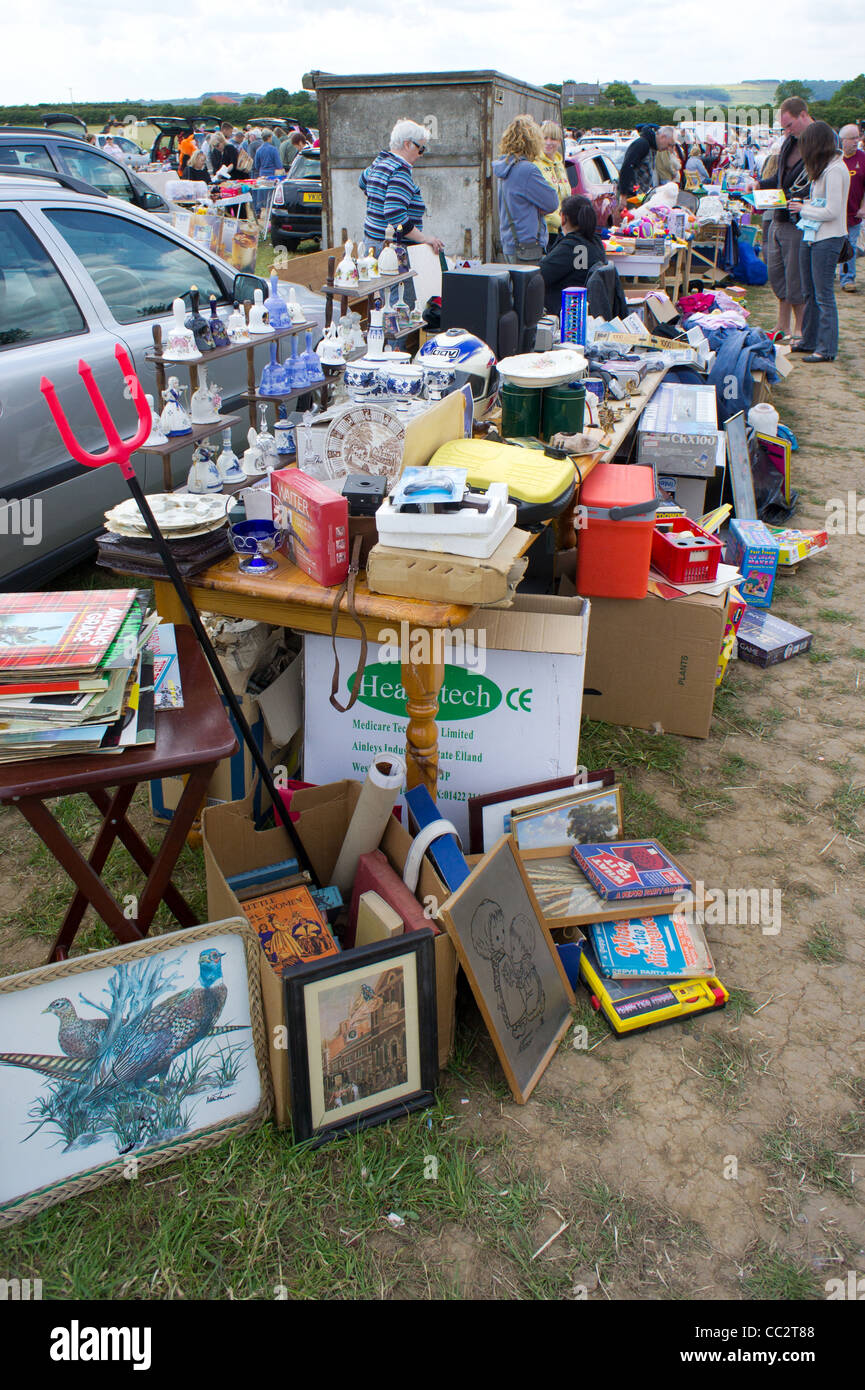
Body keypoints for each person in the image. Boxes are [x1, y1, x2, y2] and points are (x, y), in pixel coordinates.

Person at [788, 121, 850, 362]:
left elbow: (833, 211)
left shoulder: (835, 170)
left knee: (823, 295)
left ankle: (826, 349)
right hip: (813, 236)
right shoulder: (825, 168)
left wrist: (804, 209)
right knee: (809, 293)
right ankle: (810, 340)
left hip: (827, 238)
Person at [759, 97, 813, 343]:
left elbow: (813, 185)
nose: (787, 131)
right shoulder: (789, 142)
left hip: (798, 221)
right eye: (784, 127)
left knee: (795, 276)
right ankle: (783, 325)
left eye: (789, 125)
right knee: (777, 272)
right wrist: (759, 185)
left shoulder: (818, 143)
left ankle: (801, 328)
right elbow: (781, 180)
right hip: (779, 215)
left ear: (803, 115)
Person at [359, 118, 445, 254]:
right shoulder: (399, 171)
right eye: (420, 148)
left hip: (370, 244)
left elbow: (362, 182)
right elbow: (395, 213)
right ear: (407, 144)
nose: (420, 154)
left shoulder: (380, 163)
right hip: (391, 249)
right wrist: (424, 238)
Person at [493, 115, 559, 263]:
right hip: (528, 246)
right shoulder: (527, 170)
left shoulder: (504, 167)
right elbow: (552, 202)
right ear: (532, 142)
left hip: (510, 243)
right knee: (530, 286)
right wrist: (537, 206)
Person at [538, 193, 607, 314]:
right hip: (583, 309)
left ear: (563, 218)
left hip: (565, 313)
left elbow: (539, 275)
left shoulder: (572, 246)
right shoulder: (595, 242)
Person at [618, 125, 676, 202]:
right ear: (663, 137)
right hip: (630, 197)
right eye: (669, 145)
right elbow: (627, 167)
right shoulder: (642, 144)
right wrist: (623, 196)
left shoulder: (652, 147)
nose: (668, 149)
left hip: (639, 197)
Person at [535, 121, 571, 246]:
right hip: (545, 232)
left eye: (553, 139)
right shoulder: (535, 165)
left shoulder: (560, 164)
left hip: (563, 230)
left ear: (560, 141)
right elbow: (539, 203)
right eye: (545, 138)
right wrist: (561, 222)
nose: (549, 142)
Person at [839, 123, 865, 292]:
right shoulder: (836, 158)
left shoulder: (862, 158)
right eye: (852, 138)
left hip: (854, 212)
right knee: (835, 245)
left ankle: (847, 279)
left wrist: (863, 207)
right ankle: (834, 273)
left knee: (850, 246)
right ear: (843, 140)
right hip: (835, 213)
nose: (857, 141)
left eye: (858, 137)